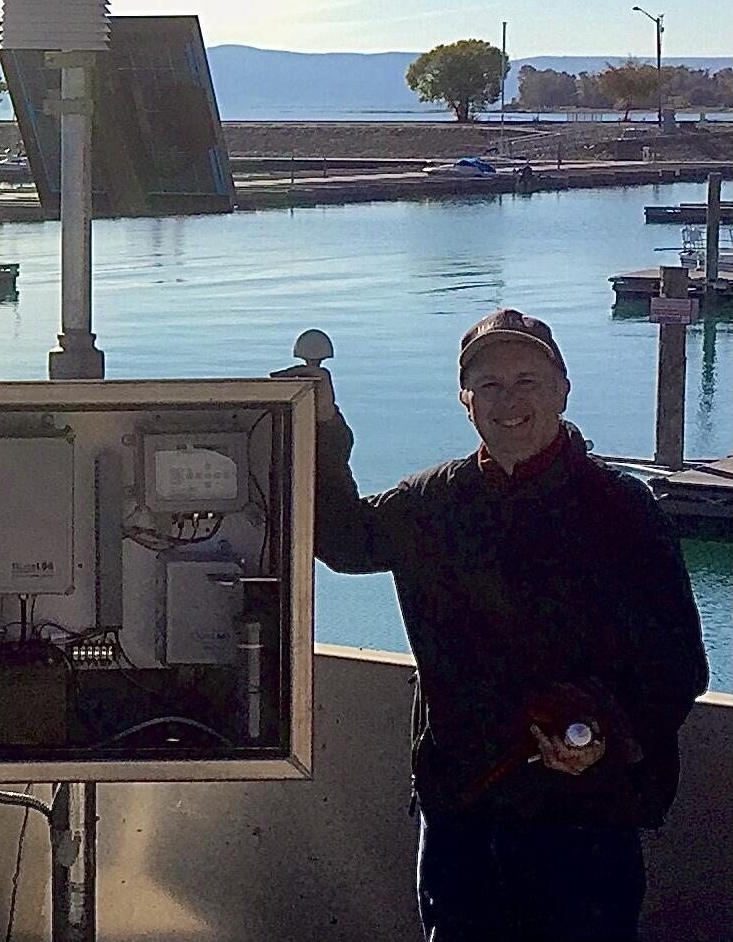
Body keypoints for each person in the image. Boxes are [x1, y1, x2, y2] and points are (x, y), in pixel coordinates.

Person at [276, 308, 708, 942]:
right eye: (490, 385)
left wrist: (603, 734)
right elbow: (343, 540)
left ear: (562, 391)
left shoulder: (625, 509)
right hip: (464, 812)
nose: (510, 400)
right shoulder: (432, 501)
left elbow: (680, 666)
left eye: (527, 381)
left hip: (588, 815)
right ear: (466, 401)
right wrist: (320, 427)